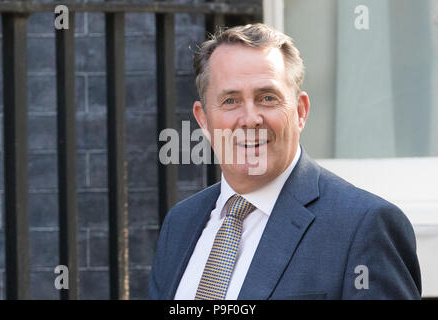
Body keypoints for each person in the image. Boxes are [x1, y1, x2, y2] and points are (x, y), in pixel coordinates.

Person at [148, 23, 421, 300]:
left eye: (267, 98)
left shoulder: (364, 226)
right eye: (230, 101)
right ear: (204, 120)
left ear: (300, 112)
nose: (250, 118)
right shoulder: (180, 223)